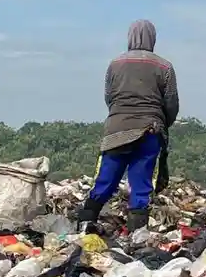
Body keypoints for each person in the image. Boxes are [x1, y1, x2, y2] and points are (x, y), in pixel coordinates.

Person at [77, 21, 179, 234]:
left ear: (130, 37)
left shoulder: (115, 64)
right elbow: (171, 102)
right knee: (141, 184)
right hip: (149, 131)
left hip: (116, 130)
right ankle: (136, 235)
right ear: (153, 38)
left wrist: (120, 115)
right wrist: (163, 124)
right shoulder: (164, 66)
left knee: (106, 179)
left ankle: (84, 224)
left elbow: (109, 96)